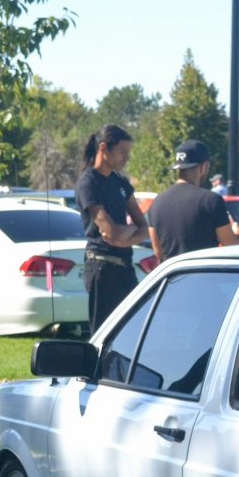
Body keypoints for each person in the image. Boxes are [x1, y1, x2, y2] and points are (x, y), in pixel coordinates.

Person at [76, 124, 149, 331]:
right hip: (102, 268)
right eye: (122, 152)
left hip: (125, 266)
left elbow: (144, 227)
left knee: (135, 327)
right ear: (103, 149)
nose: (126, 158)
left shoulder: (120, 182)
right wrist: (124, 232)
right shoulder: (89, 183)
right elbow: (110, 232)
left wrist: (124, 234)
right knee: (105, 333)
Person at [146, 140, 239, 264]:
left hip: (172, 279)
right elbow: (232, 247)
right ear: (204, 166)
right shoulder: (211, 200)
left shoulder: (156, 203)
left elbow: (158, 252)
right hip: (202, 277)